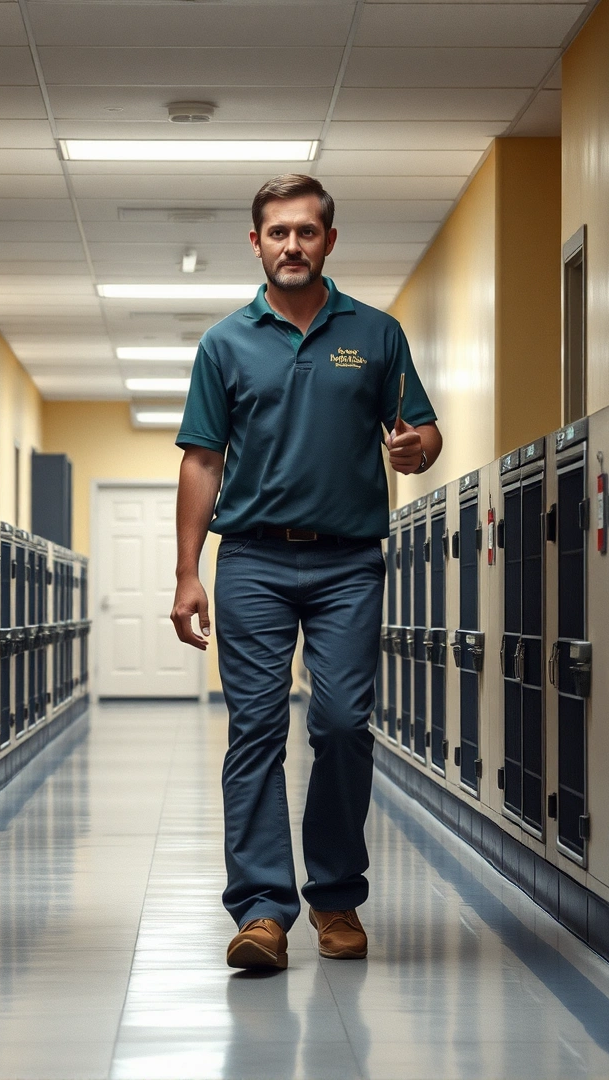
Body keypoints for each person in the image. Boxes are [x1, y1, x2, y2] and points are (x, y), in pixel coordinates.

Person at [170, 174, 443, 970]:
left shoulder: (377, 333)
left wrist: (413, 449)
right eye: (278, 232)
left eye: (308, 232)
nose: (293, 245)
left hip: (348, 562)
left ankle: (335, 897)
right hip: (251, 556)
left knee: (342, 725)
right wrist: (187, 572)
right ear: (255, 243)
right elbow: (201, 459)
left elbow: (423, 432)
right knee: (255, 728)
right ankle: (261, 910)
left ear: (329, 240)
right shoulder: (225, 342)